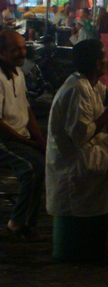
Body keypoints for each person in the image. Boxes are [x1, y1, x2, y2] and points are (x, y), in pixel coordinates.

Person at [45, 39, 108, 222]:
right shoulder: (77, 89)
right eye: (105, 58)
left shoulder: (93, 84)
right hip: (75, 166)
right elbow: (81, 135)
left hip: (87, 159)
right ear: (98, 64)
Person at [0, 30, 46, 241]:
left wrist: (39, 140)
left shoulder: (18, 74)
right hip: (5, 139)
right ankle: (17, 222)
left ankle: (27, 223)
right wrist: (27, 141)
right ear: (2, 52)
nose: (21, 52)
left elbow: (26, 109)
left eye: (23, 47)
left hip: (19, 137)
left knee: (42, 162)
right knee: (31, 167)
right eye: (15, 49)